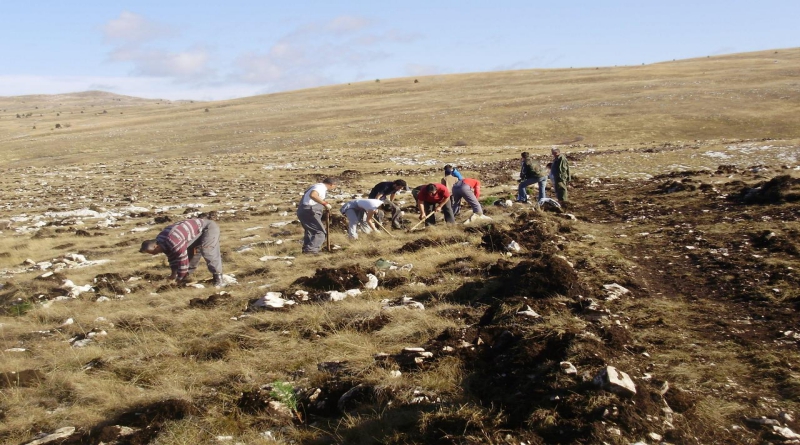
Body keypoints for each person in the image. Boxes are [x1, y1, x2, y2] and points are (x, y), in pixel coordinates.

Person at [139, 218, 223, 286]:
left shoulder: (172, 240)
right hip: (194, 233)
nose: (153, 254)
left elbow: (182, 259)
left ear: (155, 246)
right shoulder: (161, 241)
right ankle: (186, 277)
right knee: (192, 251)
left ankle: (218, 278)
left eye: (152, 252)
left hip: (207, 227)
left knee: (207, 250)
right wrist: (173, 275)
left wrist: (179, 278)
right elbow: (172, 257)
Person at [297, 177, 338, 254]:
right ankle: (311, 250)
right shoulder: (321, 187)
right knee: (320, 232)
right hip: (310, 211)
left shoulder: (316, 186)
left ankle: (307, 250)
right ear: (332, 184)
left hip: (304, 210)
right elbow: (313, 195)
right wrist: (324, 204)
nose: (334, 188)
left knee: (310, 231)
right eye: (335, 186)